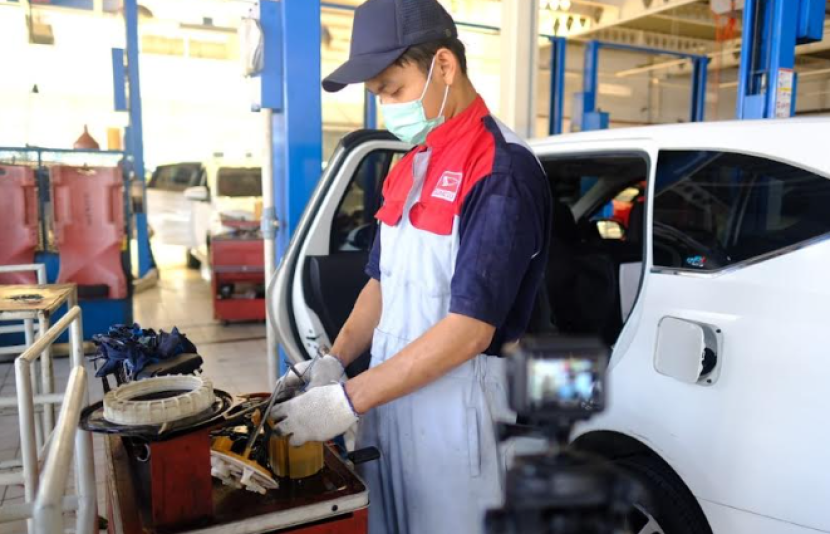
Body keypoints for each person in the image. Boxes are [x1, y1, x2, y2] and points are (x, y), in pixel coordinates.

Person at [271, 0, 552, 532]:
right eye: (376, 96)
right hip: (388, 398)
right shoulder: (411, 164)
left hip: (456, 412)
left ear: (444, 67)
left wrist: (348, 398)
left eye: (393, 90)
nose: (387, 108)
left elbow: (469, 331)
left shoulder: (500, 170)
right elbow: (382, 282)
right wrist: (335, 360)